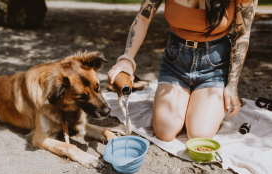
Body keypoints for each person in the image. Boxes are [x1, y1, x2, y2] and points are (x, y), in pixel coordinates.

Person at [108, 0, 258, 141]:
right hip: (175, 62)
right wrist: (127, 59)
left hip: (215, 66)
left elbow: (242, 34)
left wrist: (232, 85)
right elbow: (143, 18)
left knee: (199, 135)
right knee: (165, 131)